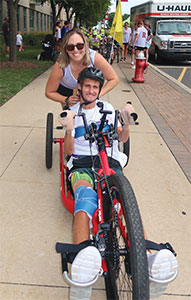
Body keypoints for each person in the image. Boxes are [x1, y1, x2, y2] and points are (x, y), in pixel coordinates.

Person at [59, 67, 178, 300]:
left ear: (99, 90)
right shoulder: (71, 111)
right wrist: (69, 130)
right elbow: (68, 152)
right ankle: (83, 266)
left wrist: (126, 122)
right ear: (80, 88)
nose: (91, 90)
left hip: (110, 163)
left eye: (95, 87)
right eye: (87, 86)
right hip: (83, 165)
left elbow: (122, 138)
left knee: (125, 206)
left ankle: (148, 258)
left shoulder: (108, 111)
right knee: (85, 197)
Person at [45, 28, 119, 109]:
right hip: (66, 90)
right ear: (65, 49)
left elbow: (114, 79)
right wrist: (65, 100)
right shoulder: (61, 64)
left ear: (86, 46)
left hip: (88, 89)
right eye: (70, 47)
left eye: (80, 46)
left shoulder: (94, 58)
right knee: (69, 116)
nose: (76, 50)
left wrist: (97, 95)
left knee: (89, 116)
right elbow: (49, 92)